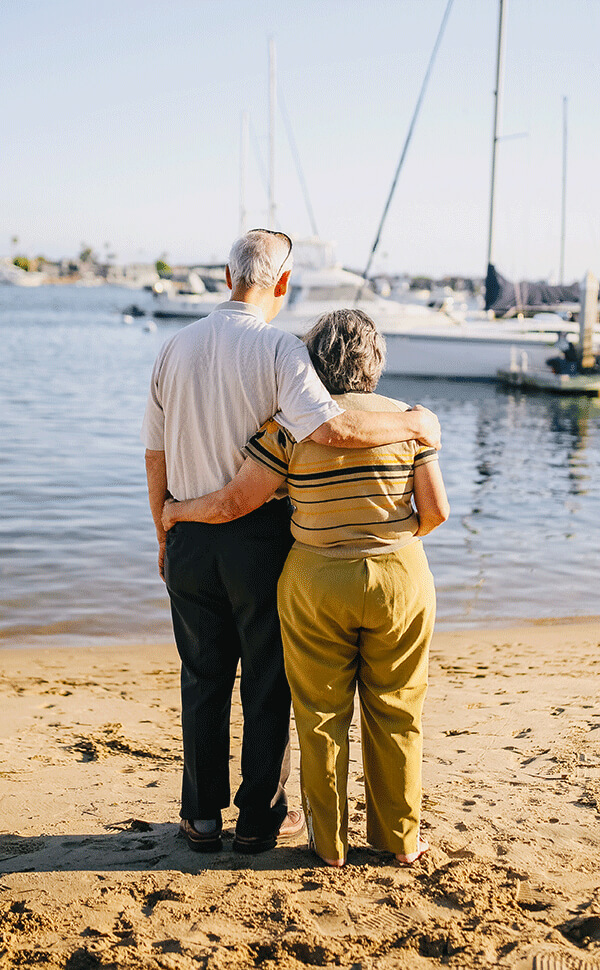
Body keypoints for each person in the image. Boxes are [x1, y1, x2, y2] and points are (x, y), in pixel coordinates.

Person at [142, 230, 442, 856]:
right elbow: (332, 426)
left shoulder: (173, 347)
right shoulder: (281, 349)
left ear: (228, 277)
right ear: (280, 283)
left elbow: (156, 455)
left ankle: (199, 819)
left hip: (190, 536)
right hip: (258, 540)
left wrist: (164, 527)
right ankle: (257, 820)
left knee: (201, 678)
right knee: (266, 681)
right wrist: (414, 425)